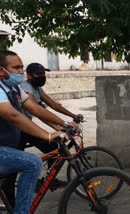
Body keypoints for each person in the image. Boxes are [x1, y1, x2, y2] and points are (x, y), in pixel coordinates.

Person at [0, 50, 68, 214]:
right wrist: (49, 135)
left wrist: (64, 123)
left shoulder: (15, 89)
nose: (21, 72)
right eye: (16, 68)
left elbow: (35, 109)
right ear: (1, 70)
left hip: (8, 147)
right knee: (33, 162)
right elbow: (13, 115)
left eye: (22, 67)